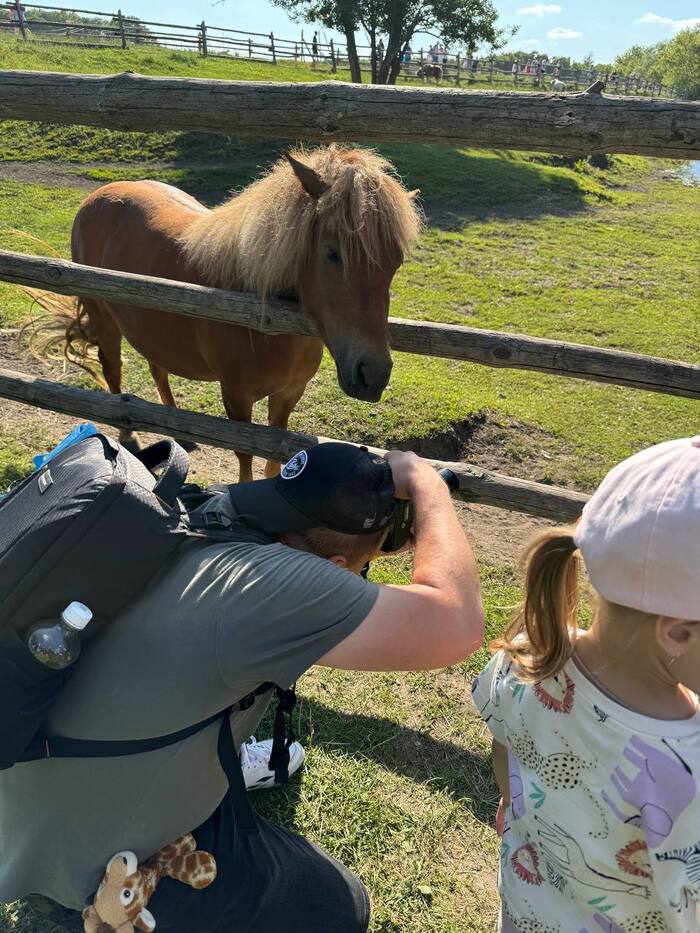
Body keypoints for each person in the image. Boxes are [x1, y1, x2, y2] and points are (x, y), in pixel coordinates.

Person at [1, 442, 483, 933]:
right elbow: (457, 624)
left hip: (31, 781)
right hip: (92, 865)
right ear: (336, 568)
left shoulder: (214, 509)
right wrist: (425, 485)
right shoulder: (280, 592)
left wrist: (369, 535)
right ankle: (71, 902)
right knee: (339, 904)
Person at [472, 436, 700, 933]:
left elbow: (504, 749)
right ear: (678, 632)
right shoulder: (689, 759)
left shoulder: (529, 653)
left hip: (528, 906)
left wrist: (513, 804)